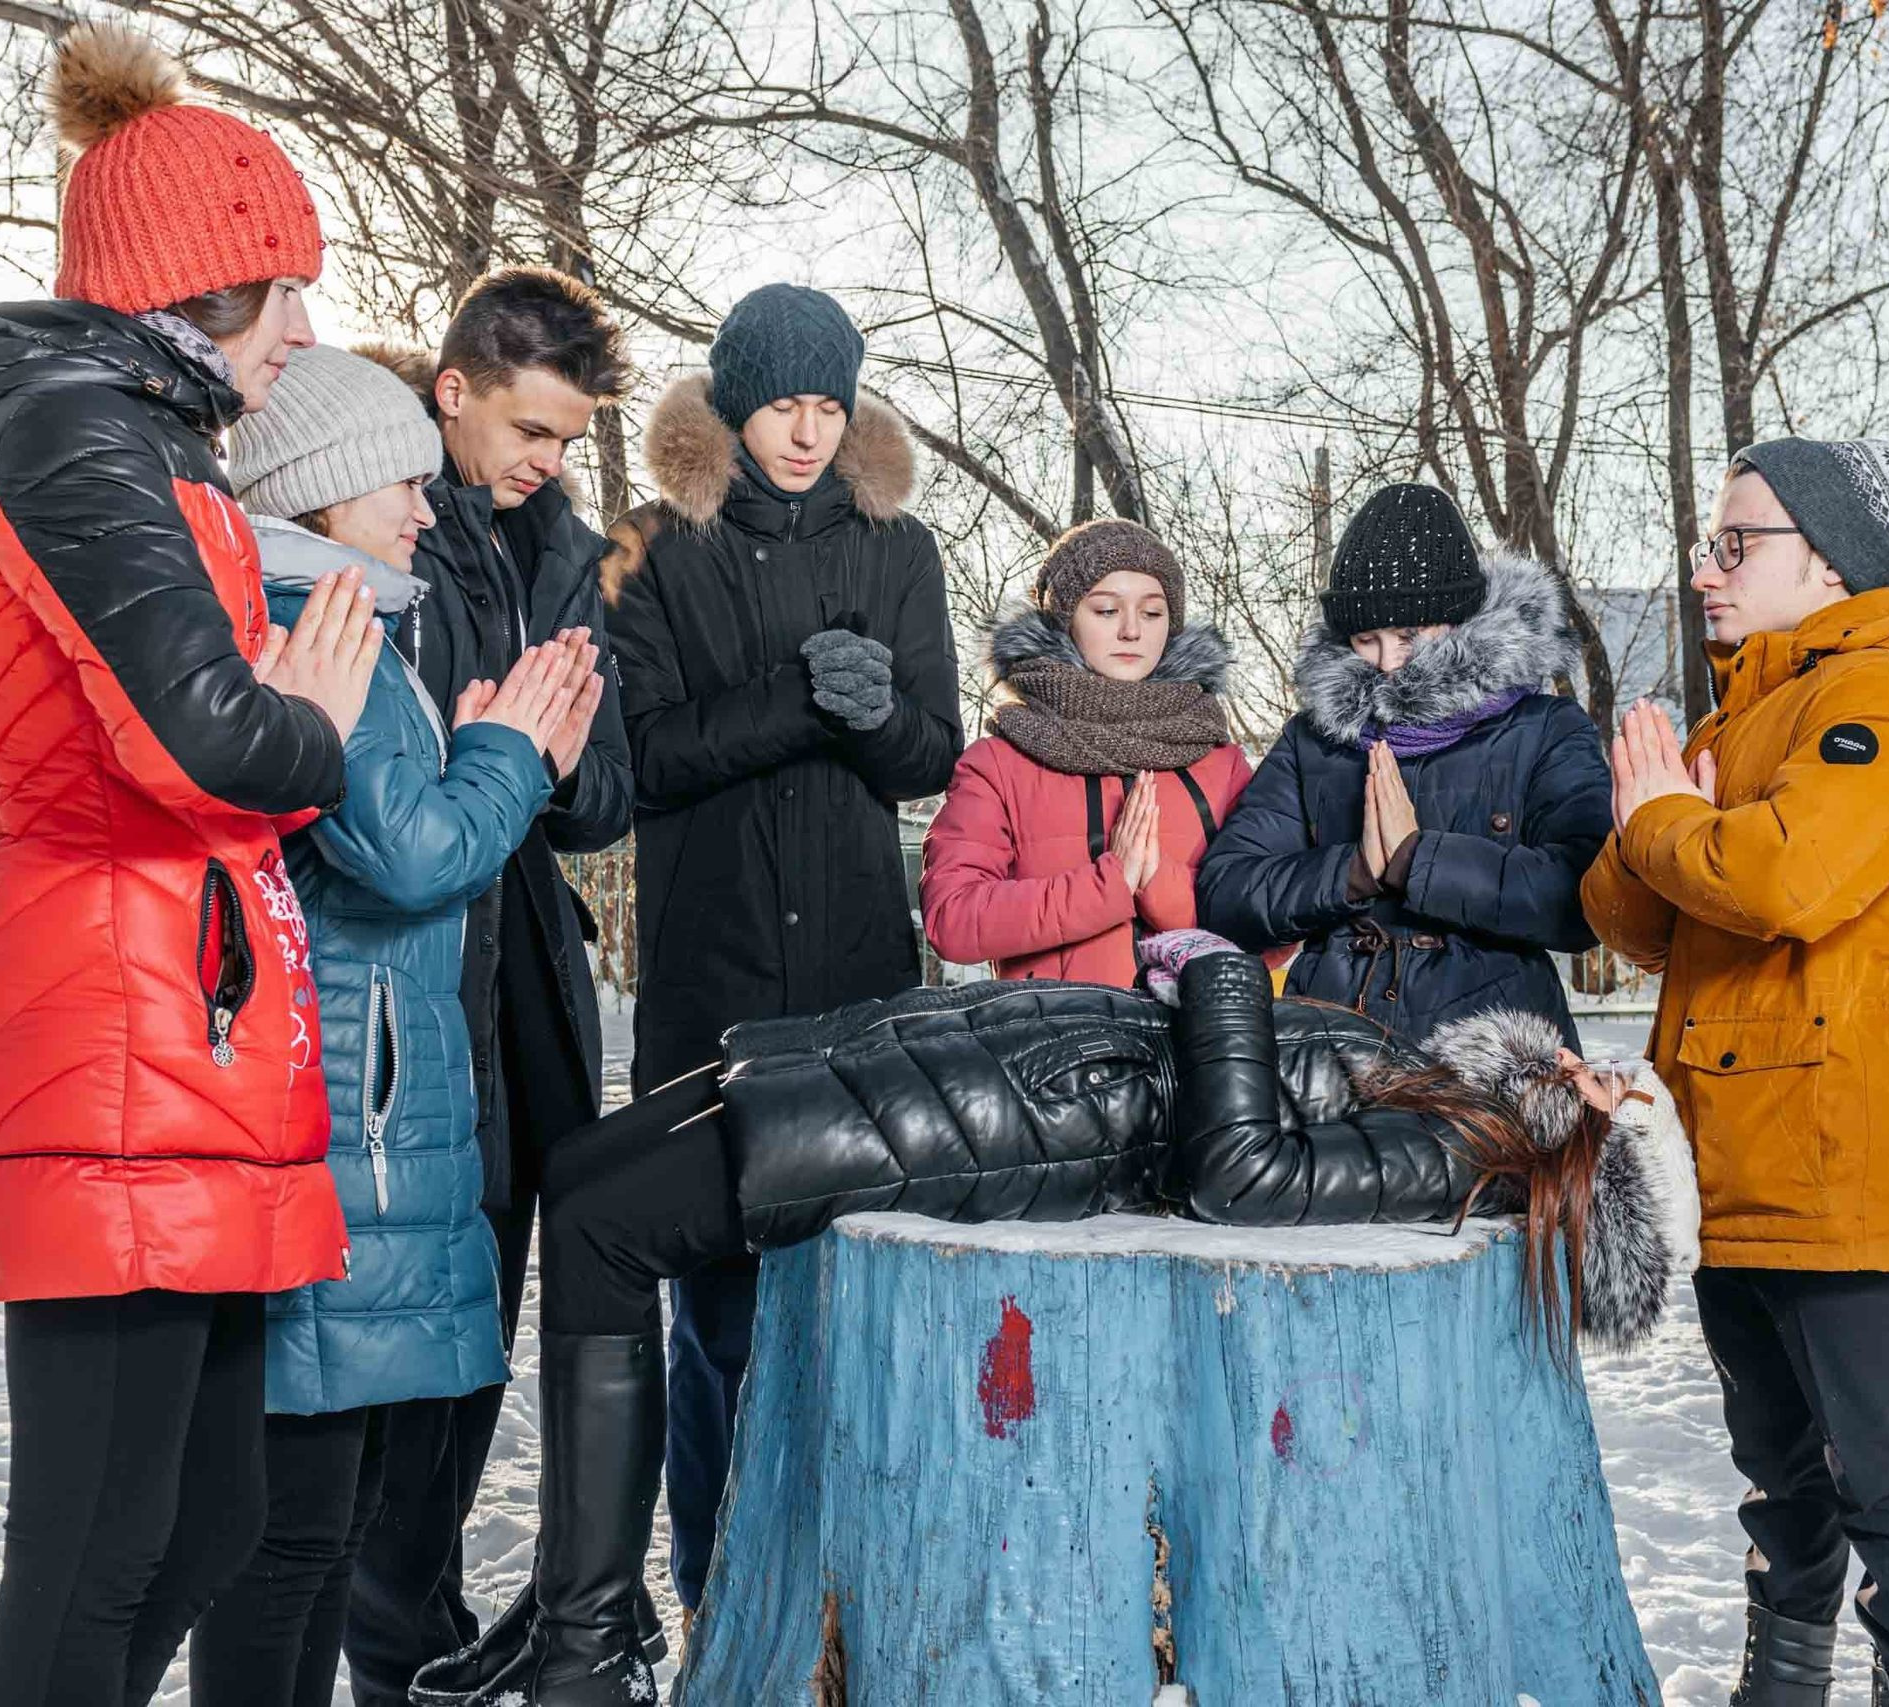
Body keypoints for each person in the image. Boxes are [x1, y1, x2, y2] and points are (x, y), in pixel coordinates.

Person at [463, 930, 1698, 1704]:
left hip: (1005, 1125)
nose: (1606, 1072)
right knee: (579, 1179)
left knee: (599, 1225)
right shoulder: (1449, 1097)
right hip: (986, 1062)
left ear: (1594, 1163)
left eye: (1619, 1099)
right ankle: (576, 1606)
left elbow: (1242, 1177)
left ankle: (586, 1647)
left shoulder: (1457, 1163)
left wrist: (1219, 978)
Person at [0, 25, 384, 1707]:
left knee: (209, 1519)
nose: (305, 330)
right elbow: (215, 742)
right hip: (103, 1025)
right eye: (281, 290)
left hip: (178, 1016)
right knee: (96, 1547)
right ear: (195, 283)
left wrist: (282, 739)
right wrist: (308, 726)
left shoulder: (147, 443)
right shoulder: (76, 437)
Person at [179, 346, 593, 1706]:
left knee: (325, 1519)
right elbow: (409, 855)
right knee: (297, 1524)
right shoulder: (322, 617)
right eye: (402, 480)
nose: (426, 506)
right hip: (342, 1108)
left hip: (364, 1101)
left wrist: (476, 750)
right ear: (330, 486)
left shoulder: (355, 616)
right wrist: (509, 756)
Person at [1580, 438, 1889, 1707]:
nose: (1707, 569)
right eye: (1710, 542)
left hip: (1830, 1140)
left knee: (1878, 1459)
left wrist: (1667, 827)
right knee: (1775, 1459)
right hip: (1722, 1146)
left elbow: (1783, 879)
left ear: (1826, 561)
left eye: (1735, 543)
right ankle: (1787, 1673)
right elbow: (1637, 921)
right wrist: (1650, 821)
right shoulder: (1744, 713)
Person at [599, 282, 963, 1619]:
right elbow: (641, 758)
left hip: (865, 993)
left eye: (829, 404)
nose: (806, 432)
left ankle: (856, 1607)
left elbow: (933, 749)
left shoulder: (899, 546)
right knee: (724, 1323)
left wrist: (873, 716)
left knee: (858, 1317)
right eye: (780, 405)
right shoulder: (647, 548)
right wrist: (799, 697)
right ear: (733, 404)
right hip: (713, 987)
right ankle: (718, 1604)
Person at [347, 272, 642, 1707]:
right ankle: (392, 1645)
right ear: (454, 389)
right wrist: (503, 755)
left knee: (481, 1317)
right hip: (414, 974)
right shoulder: (385, 512)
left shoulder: (560, 547)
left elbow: (604, 802)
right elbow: (404, 785)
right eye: (534, 426)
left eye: (573, 436)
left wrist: (553, 754)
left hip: (526, 965)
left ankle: (429, 1624)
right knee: (408, 1323)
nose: (552, 459)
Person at [1198, 482, 1613, 1046]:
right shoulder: (1312, 741)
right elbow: (1226, 893)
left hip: (1496, 1045)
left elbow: (1587, 900)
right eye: (1367, 639)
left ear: (1461, 620)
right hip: (1332, 1040)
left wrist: (1420, 862)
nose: (1389, 662)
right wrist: (1353, 871)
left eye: (1409, 635)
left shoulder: (1546, 727)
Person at [922, 518, 1251, 984]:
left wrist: (1157, 881)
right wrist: (1108, 886)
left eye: (1153, 613)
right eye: (1105, 610)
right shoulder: (998, 763)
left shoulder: (1221, 762)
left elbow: (1271, 934)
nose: (1132, 631)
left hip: (1198, 1044)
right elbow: (952, 920)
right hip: (1055, 1040)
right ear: (1064, 620)